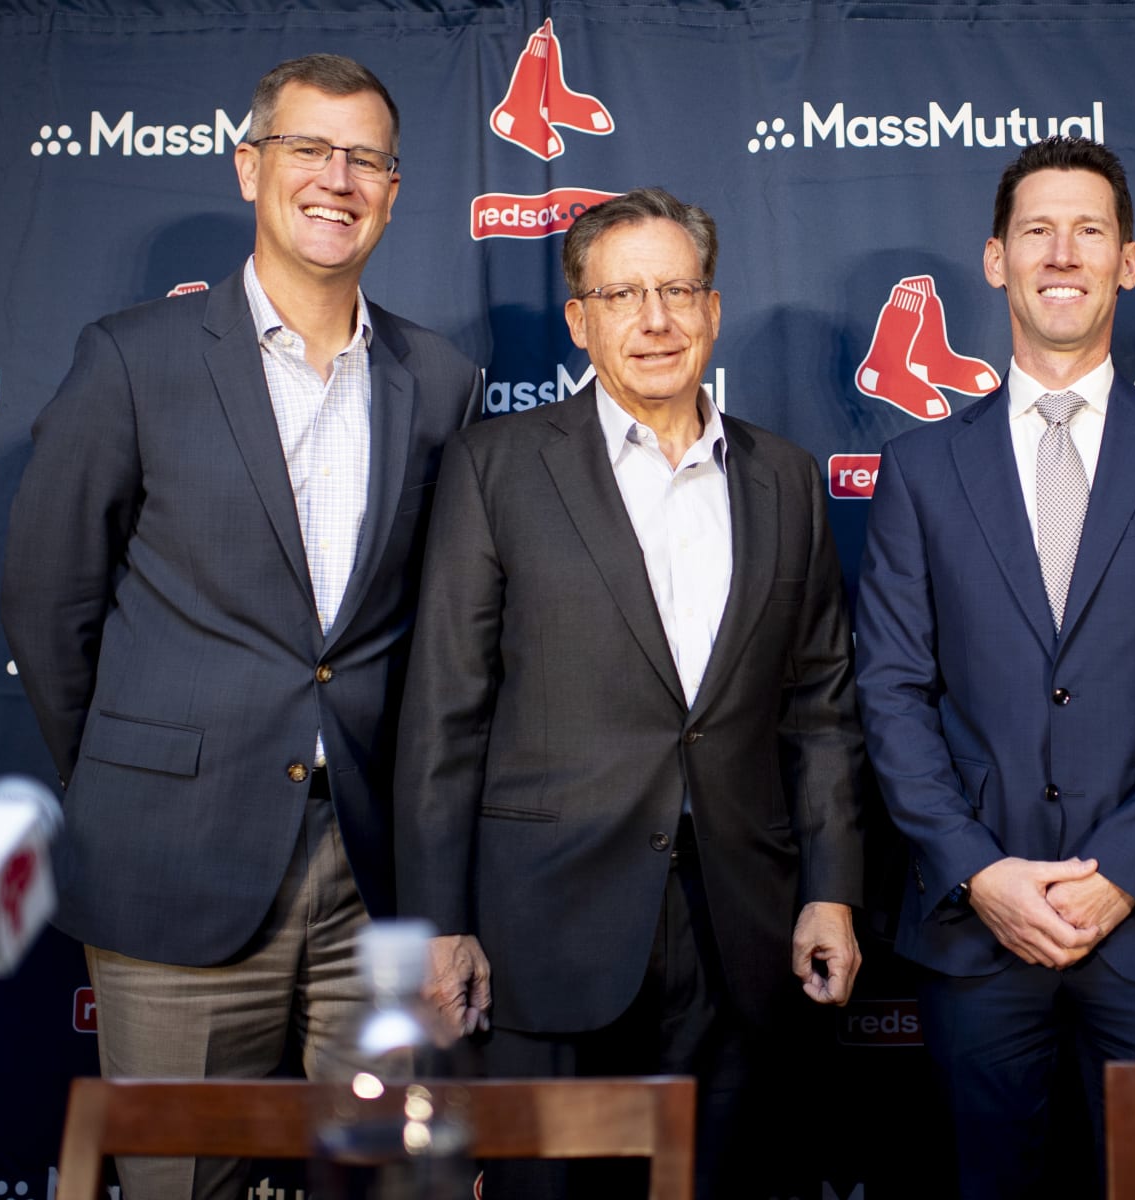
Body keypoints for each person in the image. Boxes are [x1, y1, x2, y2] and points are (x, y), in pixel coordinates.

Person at [0, 54, 480, 1200]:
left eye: (365, 157)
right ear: (250, 165)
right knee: (177, 1180)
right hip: (169, 858)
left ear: (397, 190)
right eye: (310, 149)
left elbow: (441, 632)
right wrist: (139, 776)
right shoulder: (134, 359)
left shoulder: (442, 380)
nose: (337, 178)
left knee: (388, 1184)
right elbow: (50, 603)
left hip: (379, 874)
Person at [394, 187, 866, 1199]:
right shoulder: (496, 467)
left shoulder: (787, 479)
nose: (654, 320)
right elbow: (446, 711)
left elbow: (821, 711)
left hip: (742, 933)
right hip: (545, 933)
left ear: (713, 308)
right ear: (580, 319)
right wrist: (440, 922)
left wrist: (830, 889)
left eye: (676, 290)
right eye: (622, 294)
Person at [853, 136, 1135, 1197]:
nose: (1062, 253)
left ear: (1128, 262)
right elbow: (892, 689)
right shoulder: (916, 468)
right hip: (977, 923)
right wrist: (981, 872)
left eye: (1089, 230)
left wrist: (1123, 873)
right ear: (994, 259)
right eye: (1037, 229)